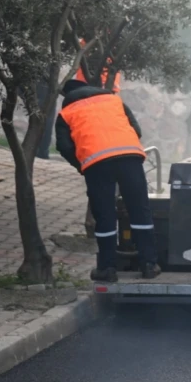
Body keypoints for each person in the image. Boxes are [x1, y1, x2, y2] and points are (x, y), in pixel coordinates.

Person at [55, 79, 158, 282]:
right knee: (140, 210)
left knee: (105, 216)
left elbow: (64, 147)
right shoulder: (114, 101)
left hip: (97, 164)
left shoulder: (66, 113)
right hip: (130, 158)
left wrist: (81, 165)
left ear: (67, 95)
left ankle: (107, 268)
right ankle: (149, 264)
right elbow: (136, 130)